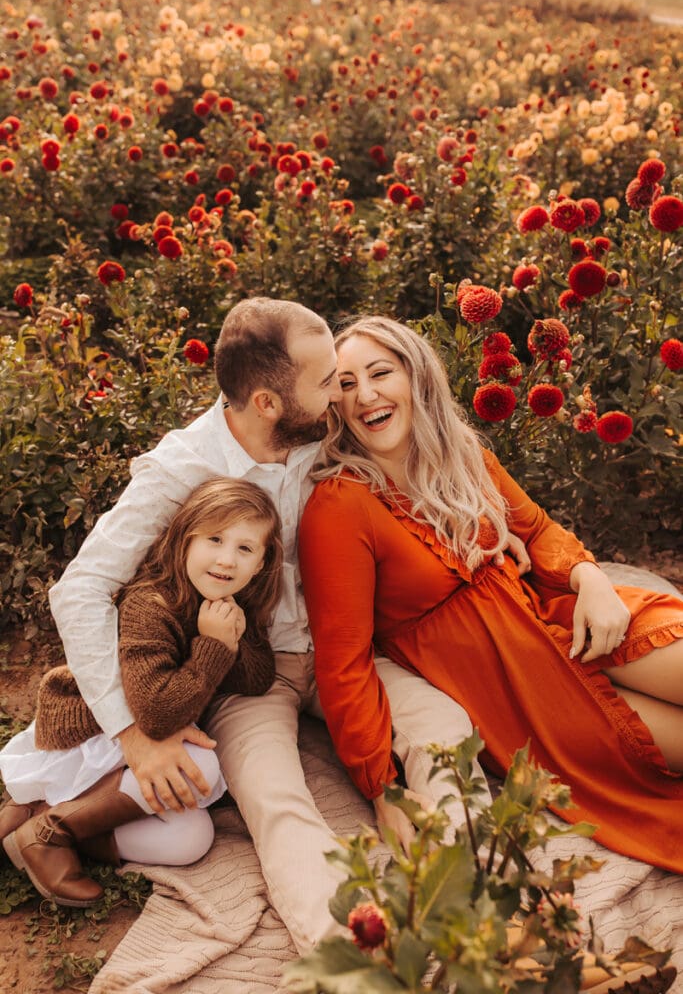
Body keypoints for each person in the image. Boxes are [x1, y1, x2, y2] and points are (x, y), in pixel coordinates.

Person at [36, 296, 509, 952]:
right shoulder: (183, 469)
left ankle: (474, 903)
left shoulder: (321, 432)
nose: (338, 394)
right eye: (325, 382)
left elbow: (423, 457)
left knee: (442, 728)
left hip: (344, 651)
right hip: (243, 672)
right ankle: (350, 953)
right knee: (275, 797)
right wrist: (135, 736)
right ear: (266, 402)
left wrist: (496, 534)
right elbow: (81, 590)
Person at [298, 316, 683, 877]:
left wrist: (590, 579)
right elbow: (344, 661)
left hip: (557, 615)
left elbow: (538, 529)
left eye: (380, 373)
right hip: (515, 683)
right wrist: (379, 786)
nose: (366, 396)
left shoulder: (462, 454)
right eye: (347, 384)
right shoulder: (339, 505)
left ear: (415, 377)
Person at [0, 478, 283, 908]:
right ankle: (50, 834)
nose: (227, 559)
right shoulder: (152, 604)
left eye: (245, 549)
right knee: (201, 766)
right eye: (215, 539)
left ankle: (42, 818)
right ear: (187, 540)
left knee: (192, 838)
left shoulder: (231, 605)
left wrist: (233, 640)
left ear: (261, 563)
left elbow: (257, 678)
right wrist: (211, 648)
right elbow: (154, 713)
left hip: (143, 748)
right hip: (100, 734)